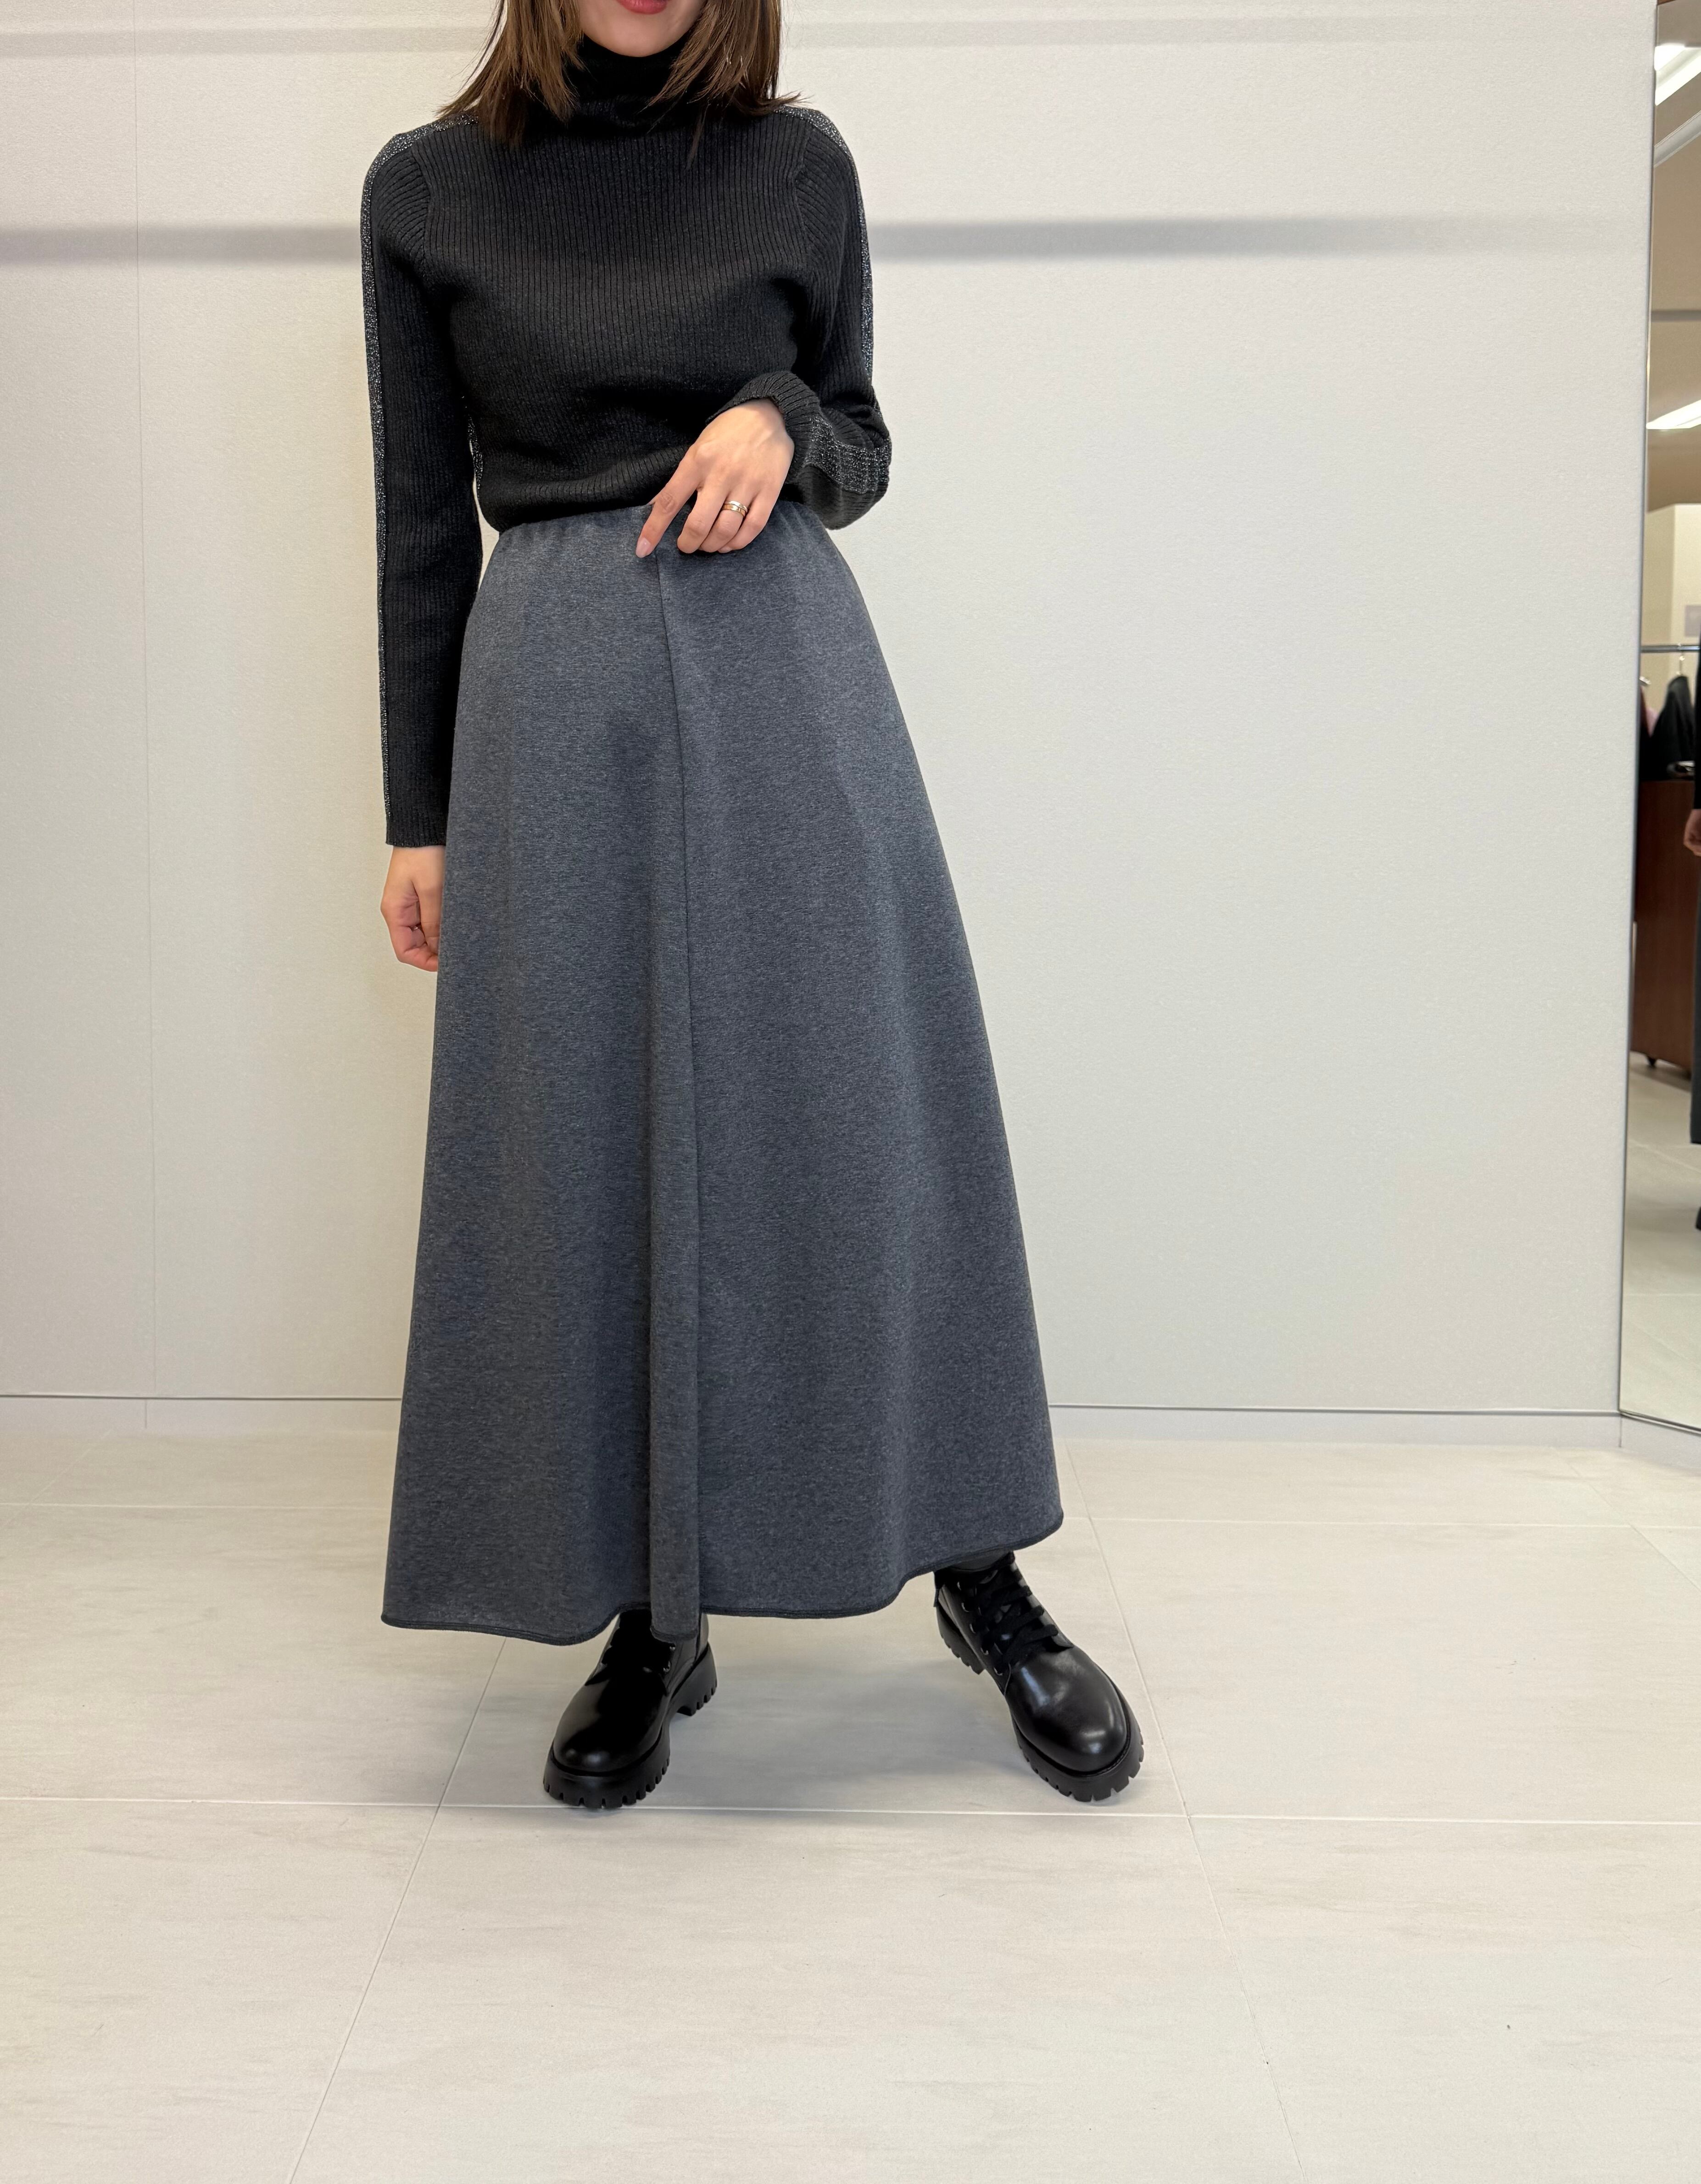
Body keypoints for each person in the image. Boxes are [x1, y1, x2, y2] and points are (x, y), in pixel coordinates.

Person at [361, 0, 1140, 1808]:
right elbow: (418, 518)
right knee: (590, 1149)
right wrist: (419, 814)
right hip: (549, 699)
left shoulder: (796, 164)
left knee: (864, 1118)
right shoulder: (426, 191)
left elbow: (859, 440)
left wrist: (780, 416)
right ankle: (656, 1612)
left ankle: (980, 1570)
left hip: (781, 664)